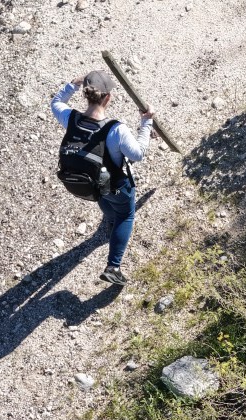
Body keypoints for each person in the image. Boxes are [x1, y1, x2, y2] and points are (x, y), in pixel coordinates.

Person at [51, 70, 155, 285]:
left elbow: (56, 102)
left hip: (89, 183)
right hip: (116, 184)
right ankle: (113, 267)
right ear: (108, 97)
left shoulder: (70, 118)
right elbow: (138, 154)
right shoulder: (116, 129)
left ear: (86, 94)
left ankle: (110, 221)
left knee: (105, 199)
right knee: (126, 215)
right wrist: (146, 123)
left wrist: (73, 84)